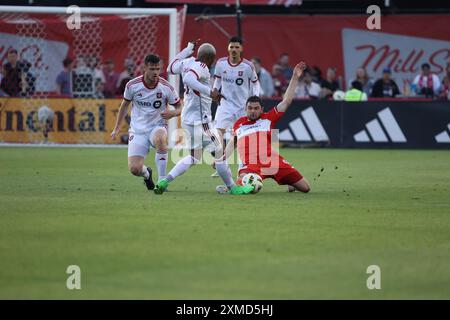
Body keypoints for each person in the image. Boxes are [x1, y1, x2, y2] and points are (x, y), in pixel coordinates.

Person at [154, 40, 254, 195]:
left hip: (187, 120)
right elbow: (188, 79)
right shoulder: (201, 67)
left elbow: (170, 67)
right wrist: (209, 92)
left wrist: (187, 50)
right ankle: (234, 188)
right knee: (220, 152)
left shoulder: (187, 61)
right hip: (201, 121)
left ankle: (164, 180)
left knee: (194, 157)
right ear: (210, 59)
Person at [217, 62, 311, 194]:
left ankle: (290, 183)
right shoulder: (239, 123)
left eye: (256, 108)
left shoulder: (268, 118)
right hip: (251, 165)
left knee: (306, 188)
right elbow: (233, 143)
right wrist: (222, 159)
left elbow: (286, 101)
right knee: (248, 189)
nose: (253, 111)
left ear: (262, 109)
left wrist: (295, 76)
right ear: (245, 109)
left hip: (272, 161)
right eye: (250, 108)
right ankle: (231, 187)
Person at [111, 54, 182, 192]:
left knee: (161, 139)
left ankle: (162, 181)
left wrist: (172, 113)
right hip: (137, 131)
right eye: (152, 69)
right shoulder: (132, 85)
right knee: (134, 169)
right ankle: (147, 174)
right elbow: (124, 105)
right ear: (144, 68)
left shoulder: (166, 87)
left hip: (157, 126)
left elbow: (179, 108)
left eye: (158, 69)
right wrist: (117, 127)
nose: (156, 72)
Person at [212, 36, 260, 176]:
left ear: (241, 49)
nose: (234, 50)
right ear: (228, 48)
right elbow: (217, 81)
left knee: (241, 137)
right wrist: (215, 90)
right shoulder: (221, 64)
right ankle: (221, 165)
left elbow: (255, 82)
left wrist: (255, 98)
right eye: (231, 47)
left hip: (242, 106)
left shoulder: (248, 66)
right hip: (225, 104)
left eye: (236, 47)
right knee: (218, 133)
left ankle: (242, 168)